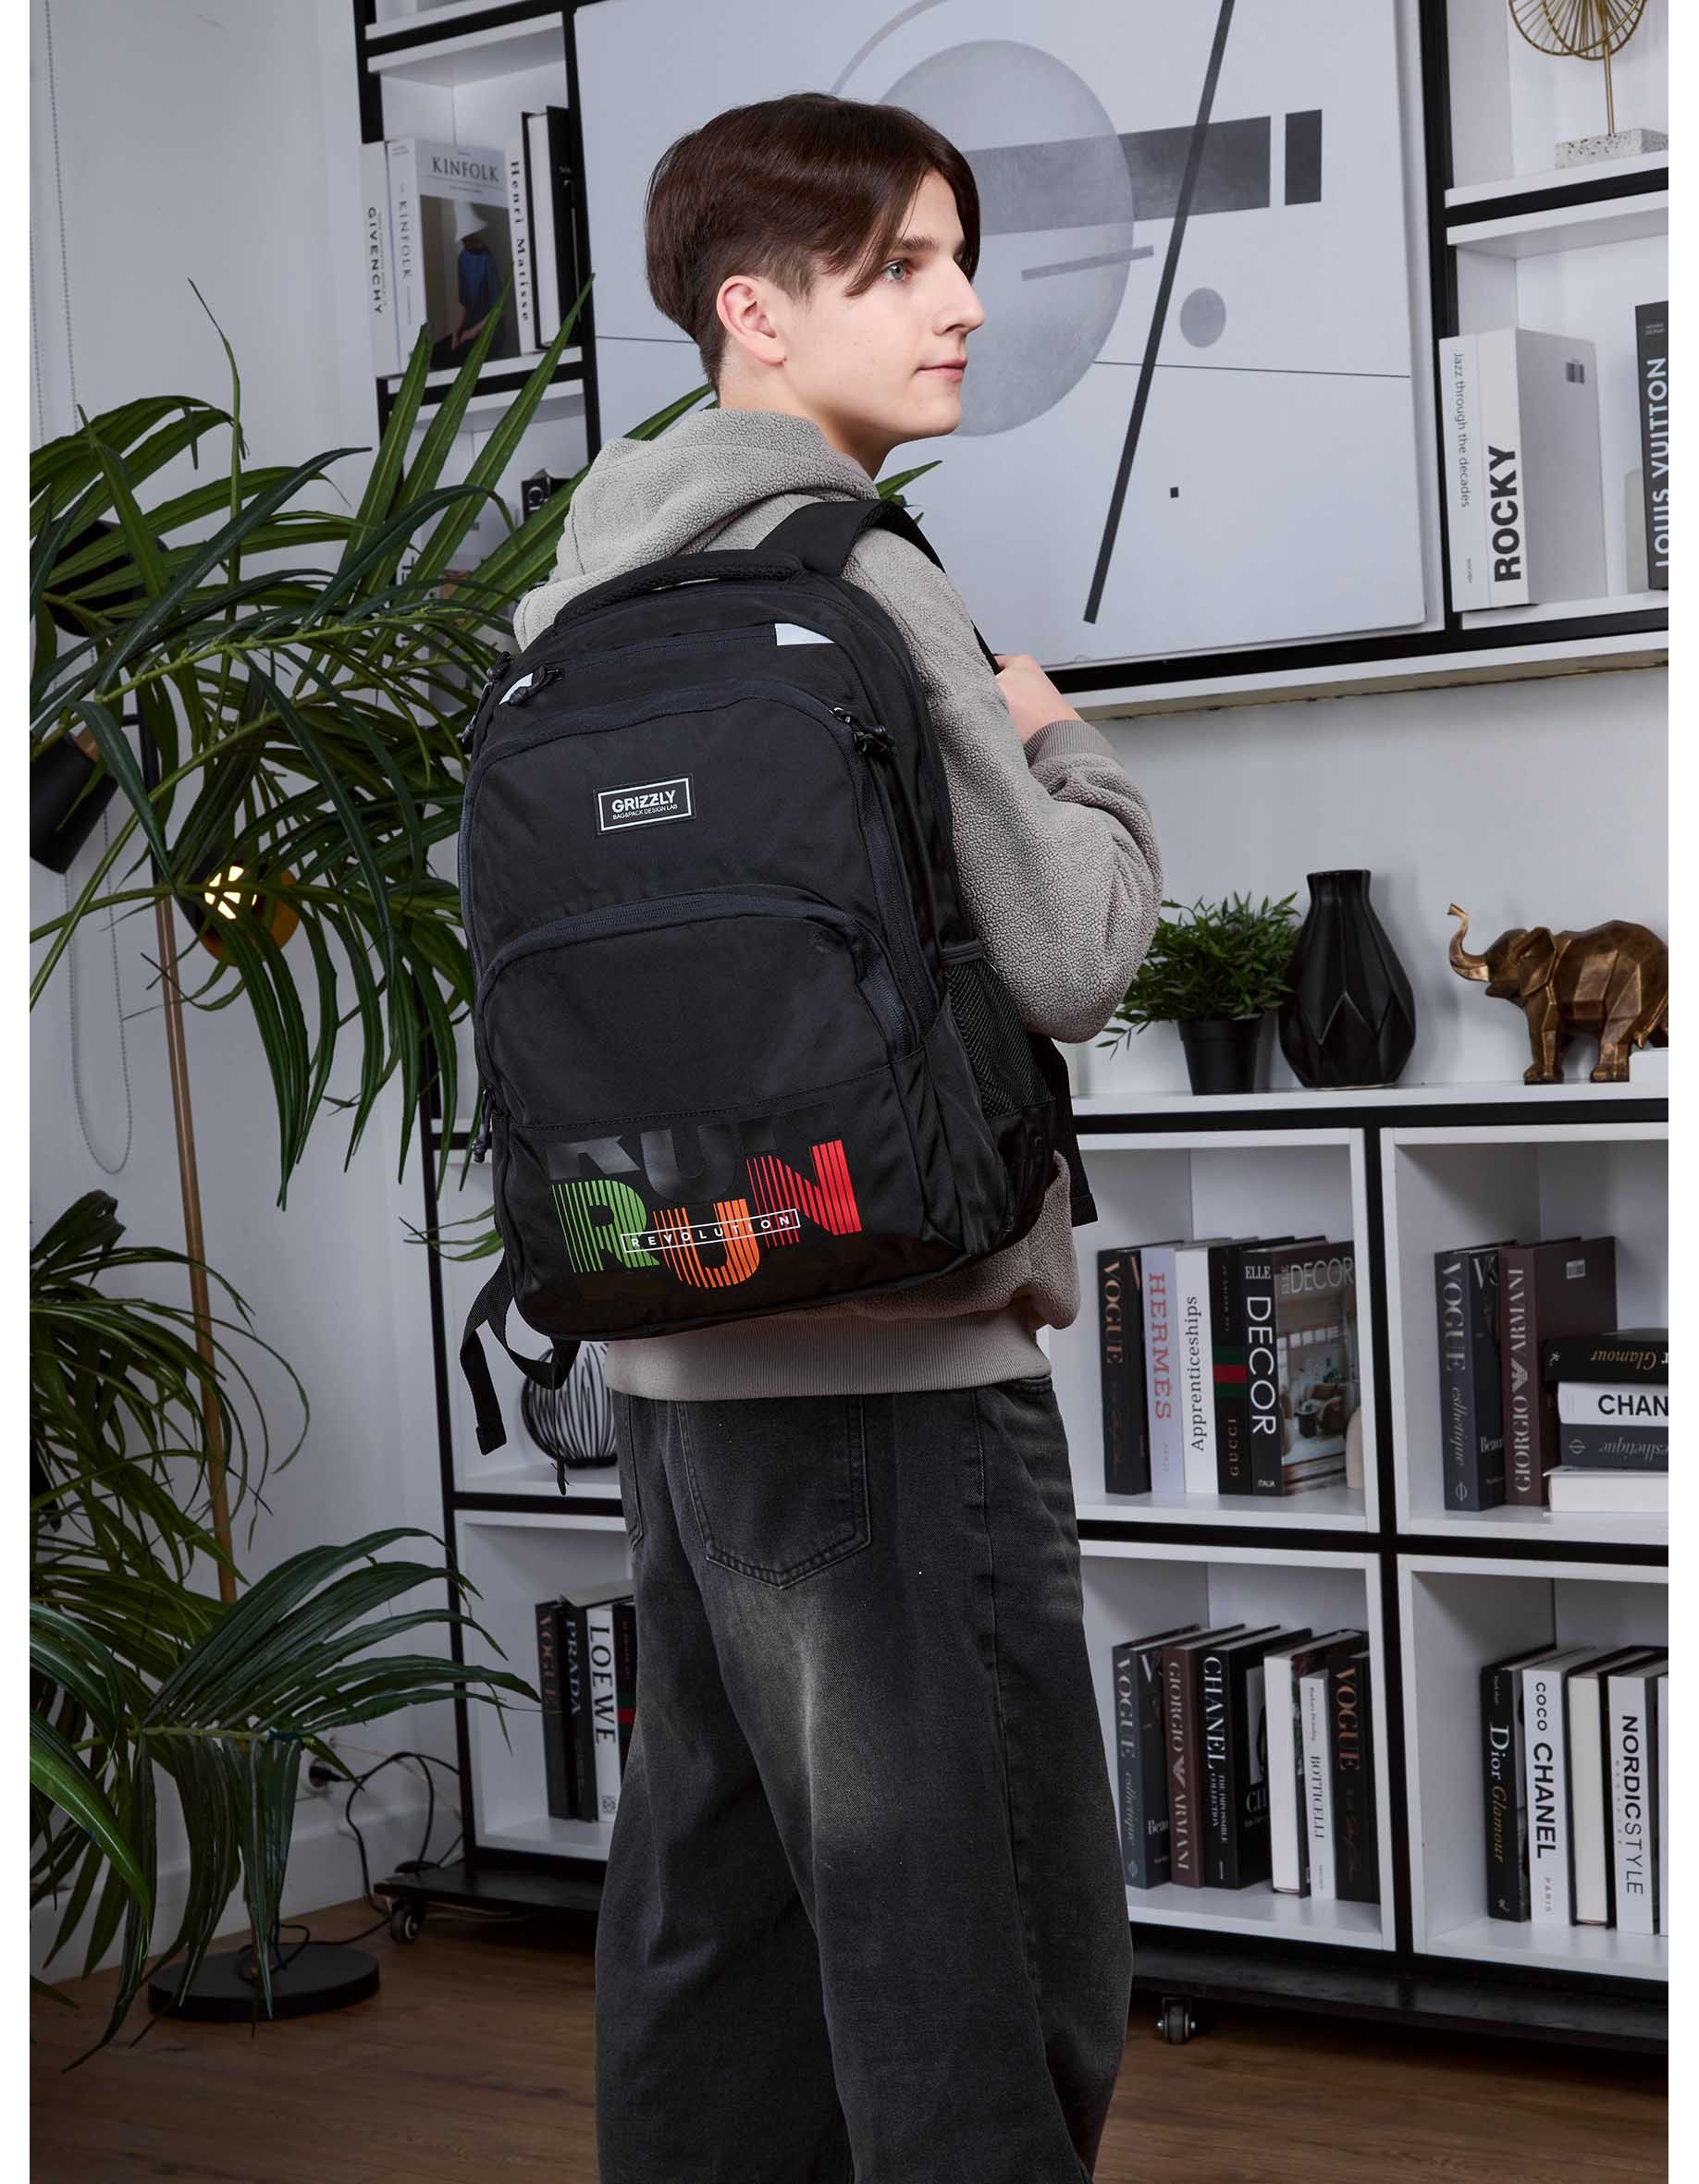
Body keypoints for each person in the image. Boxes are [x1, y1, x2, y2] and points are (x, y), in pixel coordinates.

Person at [510, 91, 1163, 2184]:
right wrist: (1069, 748)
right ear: (754, 312)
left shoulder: (568, 609)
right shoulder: (868, 577)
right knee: (980, 1953)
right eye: (900, 267)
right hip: (900, 1370)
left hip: (667, 1345)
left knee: (719, 1942)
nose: (959, 306)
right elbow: (1071, 955)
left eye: (958, 258)